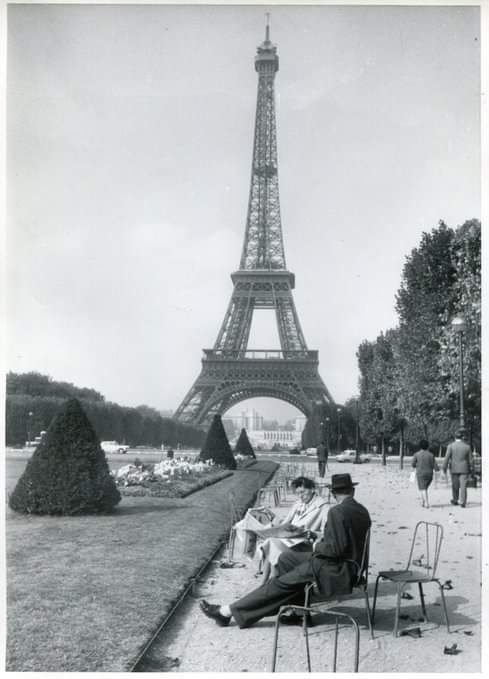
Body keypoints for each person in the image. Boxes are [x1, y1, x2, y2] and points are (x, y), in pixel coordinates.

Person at [199, 473, 371, 629]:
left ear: (333, 493)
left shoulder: (336, 511)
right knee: (286, 558)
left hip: (335, 568)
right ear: (353, 491)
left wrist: (314, 546)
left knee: (279, 583)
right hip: (350, 565)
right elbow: (344, 544)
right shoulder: (362, 511)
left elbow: (334, 550)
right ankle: (300, 614)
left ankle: (226, 612)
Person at [257, 476, 329, 582]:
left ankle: (271, 581)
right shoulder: (298, 504)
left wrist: (312, 533)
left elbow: (325, 533)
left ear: (312, 489)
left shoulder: (323, 506)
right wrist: (271, 522)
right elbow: (286, 522)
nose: (301, 496)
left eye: (303, 492)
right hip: (290, 541)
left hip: (305, 545)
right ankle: (267, 582)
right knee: (270, 542)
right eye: (298, 493)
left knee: (272, 544)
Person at [442, 428, 473, 508]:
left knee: (455, 485)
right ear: (462, 437)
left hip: (454, 468)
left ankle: (455, 499)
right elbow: (471, 460)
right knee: (463, 485)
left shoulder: (450, 446)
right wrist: (472, 470)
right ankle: (463, 501)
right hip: (464, 468)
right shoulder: (467, 446)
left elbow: (447, 458)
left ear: (454, 437)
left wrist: (444, 468)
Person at [411, 439, 439, 508]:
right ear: (427, 446)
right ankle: (423, 502)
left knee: (423, 488)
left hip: (420, 473)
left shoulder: (416, 454)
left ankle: (426, 503)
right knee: (423, 488)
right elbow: (435, 466)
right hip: (429, 474)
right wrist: (437, 469)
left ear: (420, 446)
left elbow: (413, 464)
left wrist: (416, 466)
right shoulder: (431, 455)